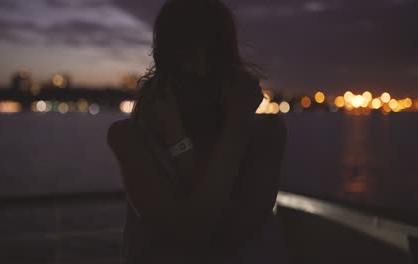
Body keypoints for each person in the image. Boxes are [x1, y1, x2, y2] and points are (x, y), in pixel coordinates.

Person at [107, 0, 287, 263]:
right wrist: (236, 127)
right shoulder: (130, 138)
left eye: (211, 54)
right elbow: (193, 233)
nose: (200, 69)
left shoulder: (266, 133)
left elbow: (228, 235)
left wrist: (178, 142)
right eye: (187, 56)